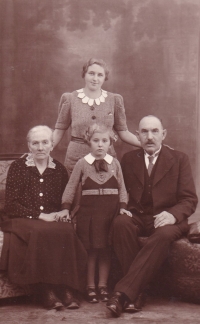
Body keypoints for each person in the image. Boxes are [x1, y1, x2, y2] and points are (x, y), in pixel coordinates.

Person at [106, 115, 198, 317]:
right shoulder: (129, 159)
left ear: (163, 134)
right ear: (137, 135)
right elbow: (120, 191)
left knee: (164, 235)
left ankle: (122, 293)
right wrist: (122, 207)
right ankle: (137, 291)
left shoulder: (179, 159)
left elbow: (190, 199)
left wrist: (173, 215)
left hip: (169, 218)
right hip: (139, 215)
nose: (150, 137)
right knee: (121, 223)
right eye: (144, 132)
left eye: (155, 131)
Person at [0, 126, 87, 310]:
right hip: (21, 218)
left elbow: (66, 199)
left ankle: (67, 289)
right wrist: (40, 216)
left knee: (65, 230)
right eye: (35, 143)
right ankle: (46, 290)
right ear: (29, 146)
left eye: (45, 142)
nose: (40, 147)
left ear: (52, 145)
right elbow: (11, 205)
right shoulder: (18, 168)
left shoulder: (59, 170)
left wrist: (64, 211)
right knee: (41, 230)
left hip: (50, 219)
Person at [59, 123, 132, 304]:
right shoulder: (82, 164)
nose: (100, 145)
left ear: (111, 143)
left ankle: (103, 286)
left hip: (110, 213)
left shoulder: (115, 163)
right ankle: (90, 286)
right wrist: (66, 208)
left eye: (104, 141)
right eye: (96, 140)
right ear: (88, 142)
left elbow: (122, 187)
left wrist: (123, 206)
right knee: (91, 251)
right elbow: (71, 186)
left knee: (106, 250)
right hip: (89, 214)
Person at [53, 58, 140, 174]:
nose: (95, 79)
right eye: (91, 73)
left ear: (105, 78)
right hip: (76, 159)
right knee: (75, 191)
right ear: (84, 74)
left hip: (105, 158)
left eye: (100, 75)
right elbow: (59, 131)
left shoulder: (114, 100)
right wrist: (42, 148)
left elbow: (124, 132)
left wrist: (146, 144)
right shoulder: (70, 99)